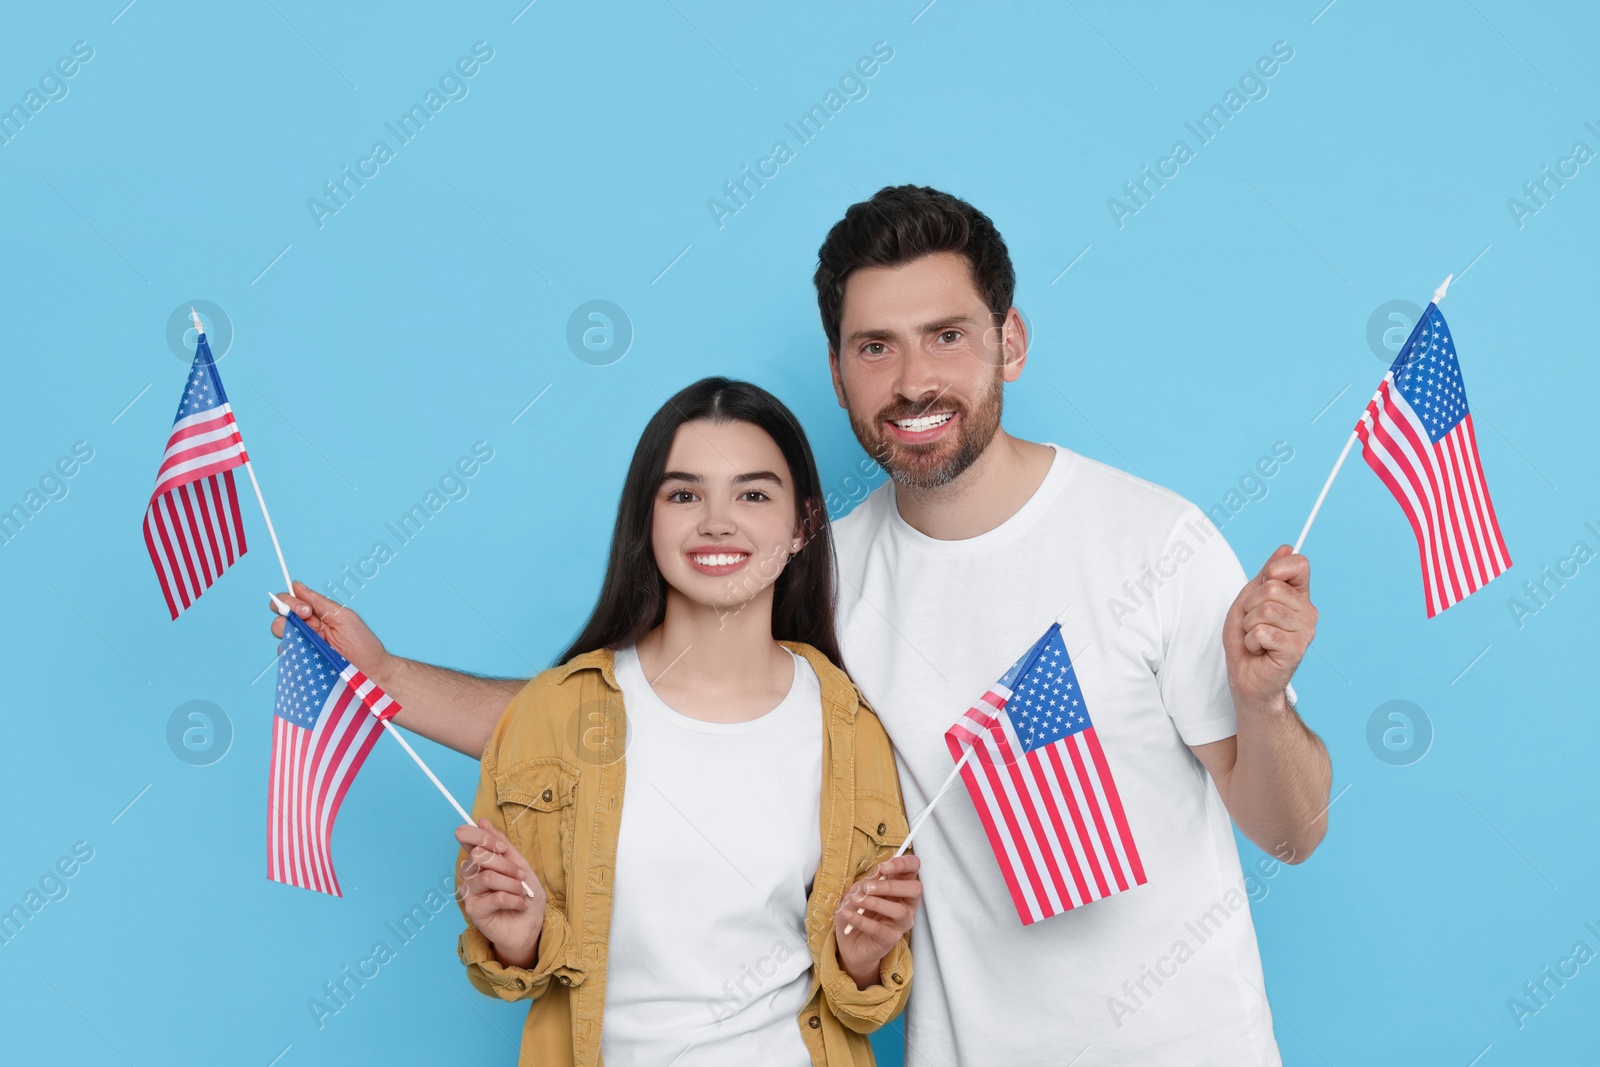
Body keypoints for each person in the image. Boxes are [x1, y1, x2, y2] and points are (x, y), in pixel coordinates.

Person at [271, 187, 1331, 1065]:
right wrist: (385, 677)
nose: (913, 380)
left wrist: (1256, 699)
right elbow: (646, 717)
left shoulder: (1152, 536)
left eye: (946, 336)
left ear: (1008, 340)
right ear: (836, 371)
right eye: (875, 347)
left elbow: (1289, 827)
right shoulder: (829, 568)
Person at [280, 378, 922, 1066]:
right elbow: (515, 968)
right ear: (647, 520)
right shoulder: (557, 714)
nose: (716, 520)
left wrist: (861, 960)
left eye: (754, 494)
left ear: (802, 525)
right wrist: (517, 937)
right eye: (683, 494)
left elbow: (864, 1000)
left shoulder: (849, 728)